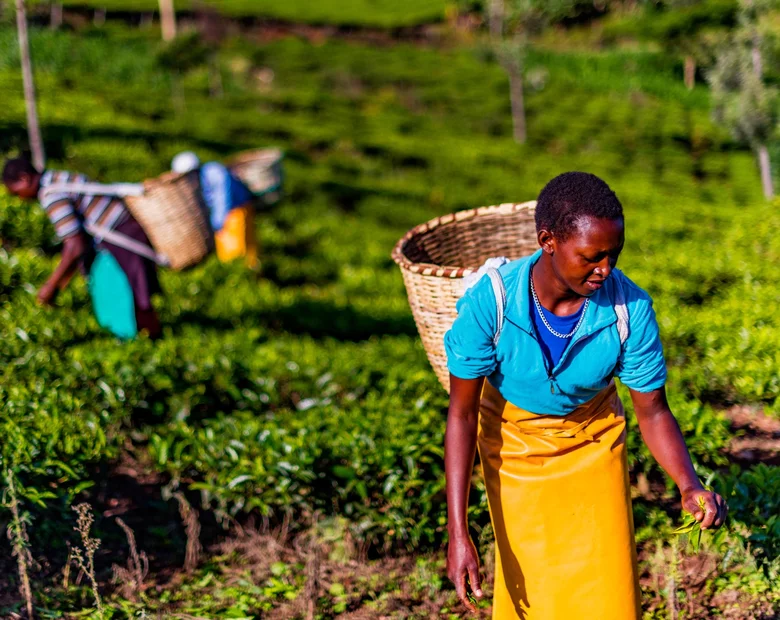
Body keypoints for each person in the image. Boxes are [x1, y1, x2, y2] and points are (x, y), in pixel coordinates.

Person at [444, 172, 728, 620]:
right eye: (592, 257)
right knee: (532, 591)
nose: (606, 270)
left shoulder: (628, 310)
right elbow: (461, 416)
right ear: (548, 241)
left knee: (606, 589)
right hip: (514, 451)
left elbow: (653, 412)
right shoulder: (492, 304)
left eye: (614, 255)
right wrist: (457, 531)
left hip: (594, 447)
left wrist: (688, 483)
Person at [2, 157, 161, 338]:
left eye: (16, 193)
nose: (20, 199)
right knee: (136, 297)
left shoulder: (51, 194)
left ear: (24, 179)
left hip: (120, 236)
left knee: (136, 301)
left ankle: (150, 342)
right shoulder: (57, 177)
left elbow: (75, 245)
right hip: (127, 229)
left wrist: (51, 286)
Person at [171, 152, 258, 269]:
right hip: (228, 214)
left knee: (238, 250)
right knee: (237, 249)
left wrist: (219, 221)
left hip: (234, 212)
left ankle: (247, 273)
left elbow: (223, 197)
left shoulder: (214, 171)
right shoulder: (202, 177)